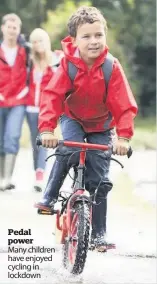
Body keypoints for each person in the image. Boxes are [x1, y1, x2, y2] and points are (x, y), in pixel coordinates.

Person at [35, 6, 138, 251]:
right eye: (87, 36)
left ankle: (99, 234)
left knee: (99, 179)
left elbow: (124, 105)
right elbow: (51, 97)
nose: (94, 41)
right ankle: (49, 196)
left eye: (98, 35)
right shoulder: (68, 65)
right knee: (67, 150)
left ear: (105, 36)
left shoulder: (111, 67)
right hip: (73, 119)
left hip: (102, 126)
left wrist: (123, 137)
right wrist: (47, 130)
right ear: (73, 40)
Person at [26, 28, 62, 192]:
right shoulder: (29, 61)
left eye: (40, 40)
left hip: (47, 109)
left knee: (43, 138)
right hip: (31, 108)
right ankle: (38, 172)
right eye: (34, 41)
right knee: (36, 141)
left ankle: (40, 176)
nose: (37, 44)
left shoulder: (56, 59)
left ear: (46, 42)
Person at [0, 13, 28, 190]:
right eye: (8, 27)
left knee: (12, 136)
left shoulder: (26, 51)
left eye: (15, 28)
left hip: (18, 100)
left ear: (19, 31)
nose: (11, 31)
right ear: (3, 28)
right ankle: (1, 177)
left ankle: (7, 179)